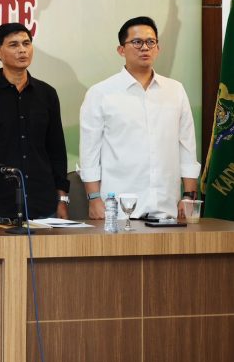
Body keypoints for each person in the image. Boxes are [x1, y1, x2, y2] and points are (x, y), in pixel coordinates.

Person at [79, 16, 201, 219]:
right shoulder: (100, 93)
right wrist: (94, 198)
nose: (145, 48)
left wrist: (188, 195)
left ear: (158, 48)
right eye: (137, 42)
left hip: (167, 208)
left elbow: (187, 146)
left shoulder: (175, 90)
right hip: (118, 210)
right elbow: (89, 152)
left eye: (151, 42)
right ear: (121, 50)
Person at [0, 23, 69, 224]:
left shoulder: (47, 94)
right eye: (14, 45)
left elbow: (57, 151)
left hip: (43, 205)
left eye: (26, 43)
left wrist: (62, 200)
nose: (22, 50)